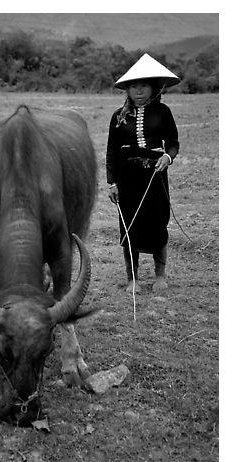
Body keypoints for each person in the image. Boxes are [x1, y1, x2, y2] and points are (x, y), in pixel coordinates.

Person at [106, 53, 181, 293]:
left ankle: (160, 275)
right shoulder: (118, 117)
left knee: (158, 223)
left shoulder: (163, 112)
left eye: (143, 86)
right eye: (133, 87)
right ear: (127, 90)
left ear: (153, 88)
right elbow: (111, 152)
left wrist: (167, 158)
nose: (138, 91)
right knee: (129, 225)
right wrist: (112, 183)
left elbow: (173, 143)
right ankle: (132, 279)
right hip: (127, 179)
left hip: (155, 176)